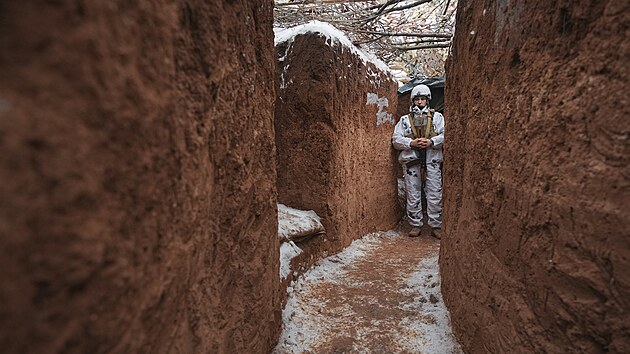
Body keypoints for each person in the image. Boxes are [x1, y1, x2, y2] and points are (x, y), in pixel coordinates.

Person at [392, 84, 444, 238]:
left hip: (432, 160)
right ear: (413, 101)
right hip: (411, 161)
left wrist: (432, 142)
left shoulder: (437, 118)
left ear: (427, 100)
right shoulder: (404, 120)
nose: (420, 102)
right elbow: (396, 139)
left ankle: (436, 225)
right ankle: (415, 224)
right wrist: (411, 143)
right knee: (413, 193)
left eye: (423, 99)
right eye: (417, 99)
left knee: (434, 192)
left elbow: (445, 135)